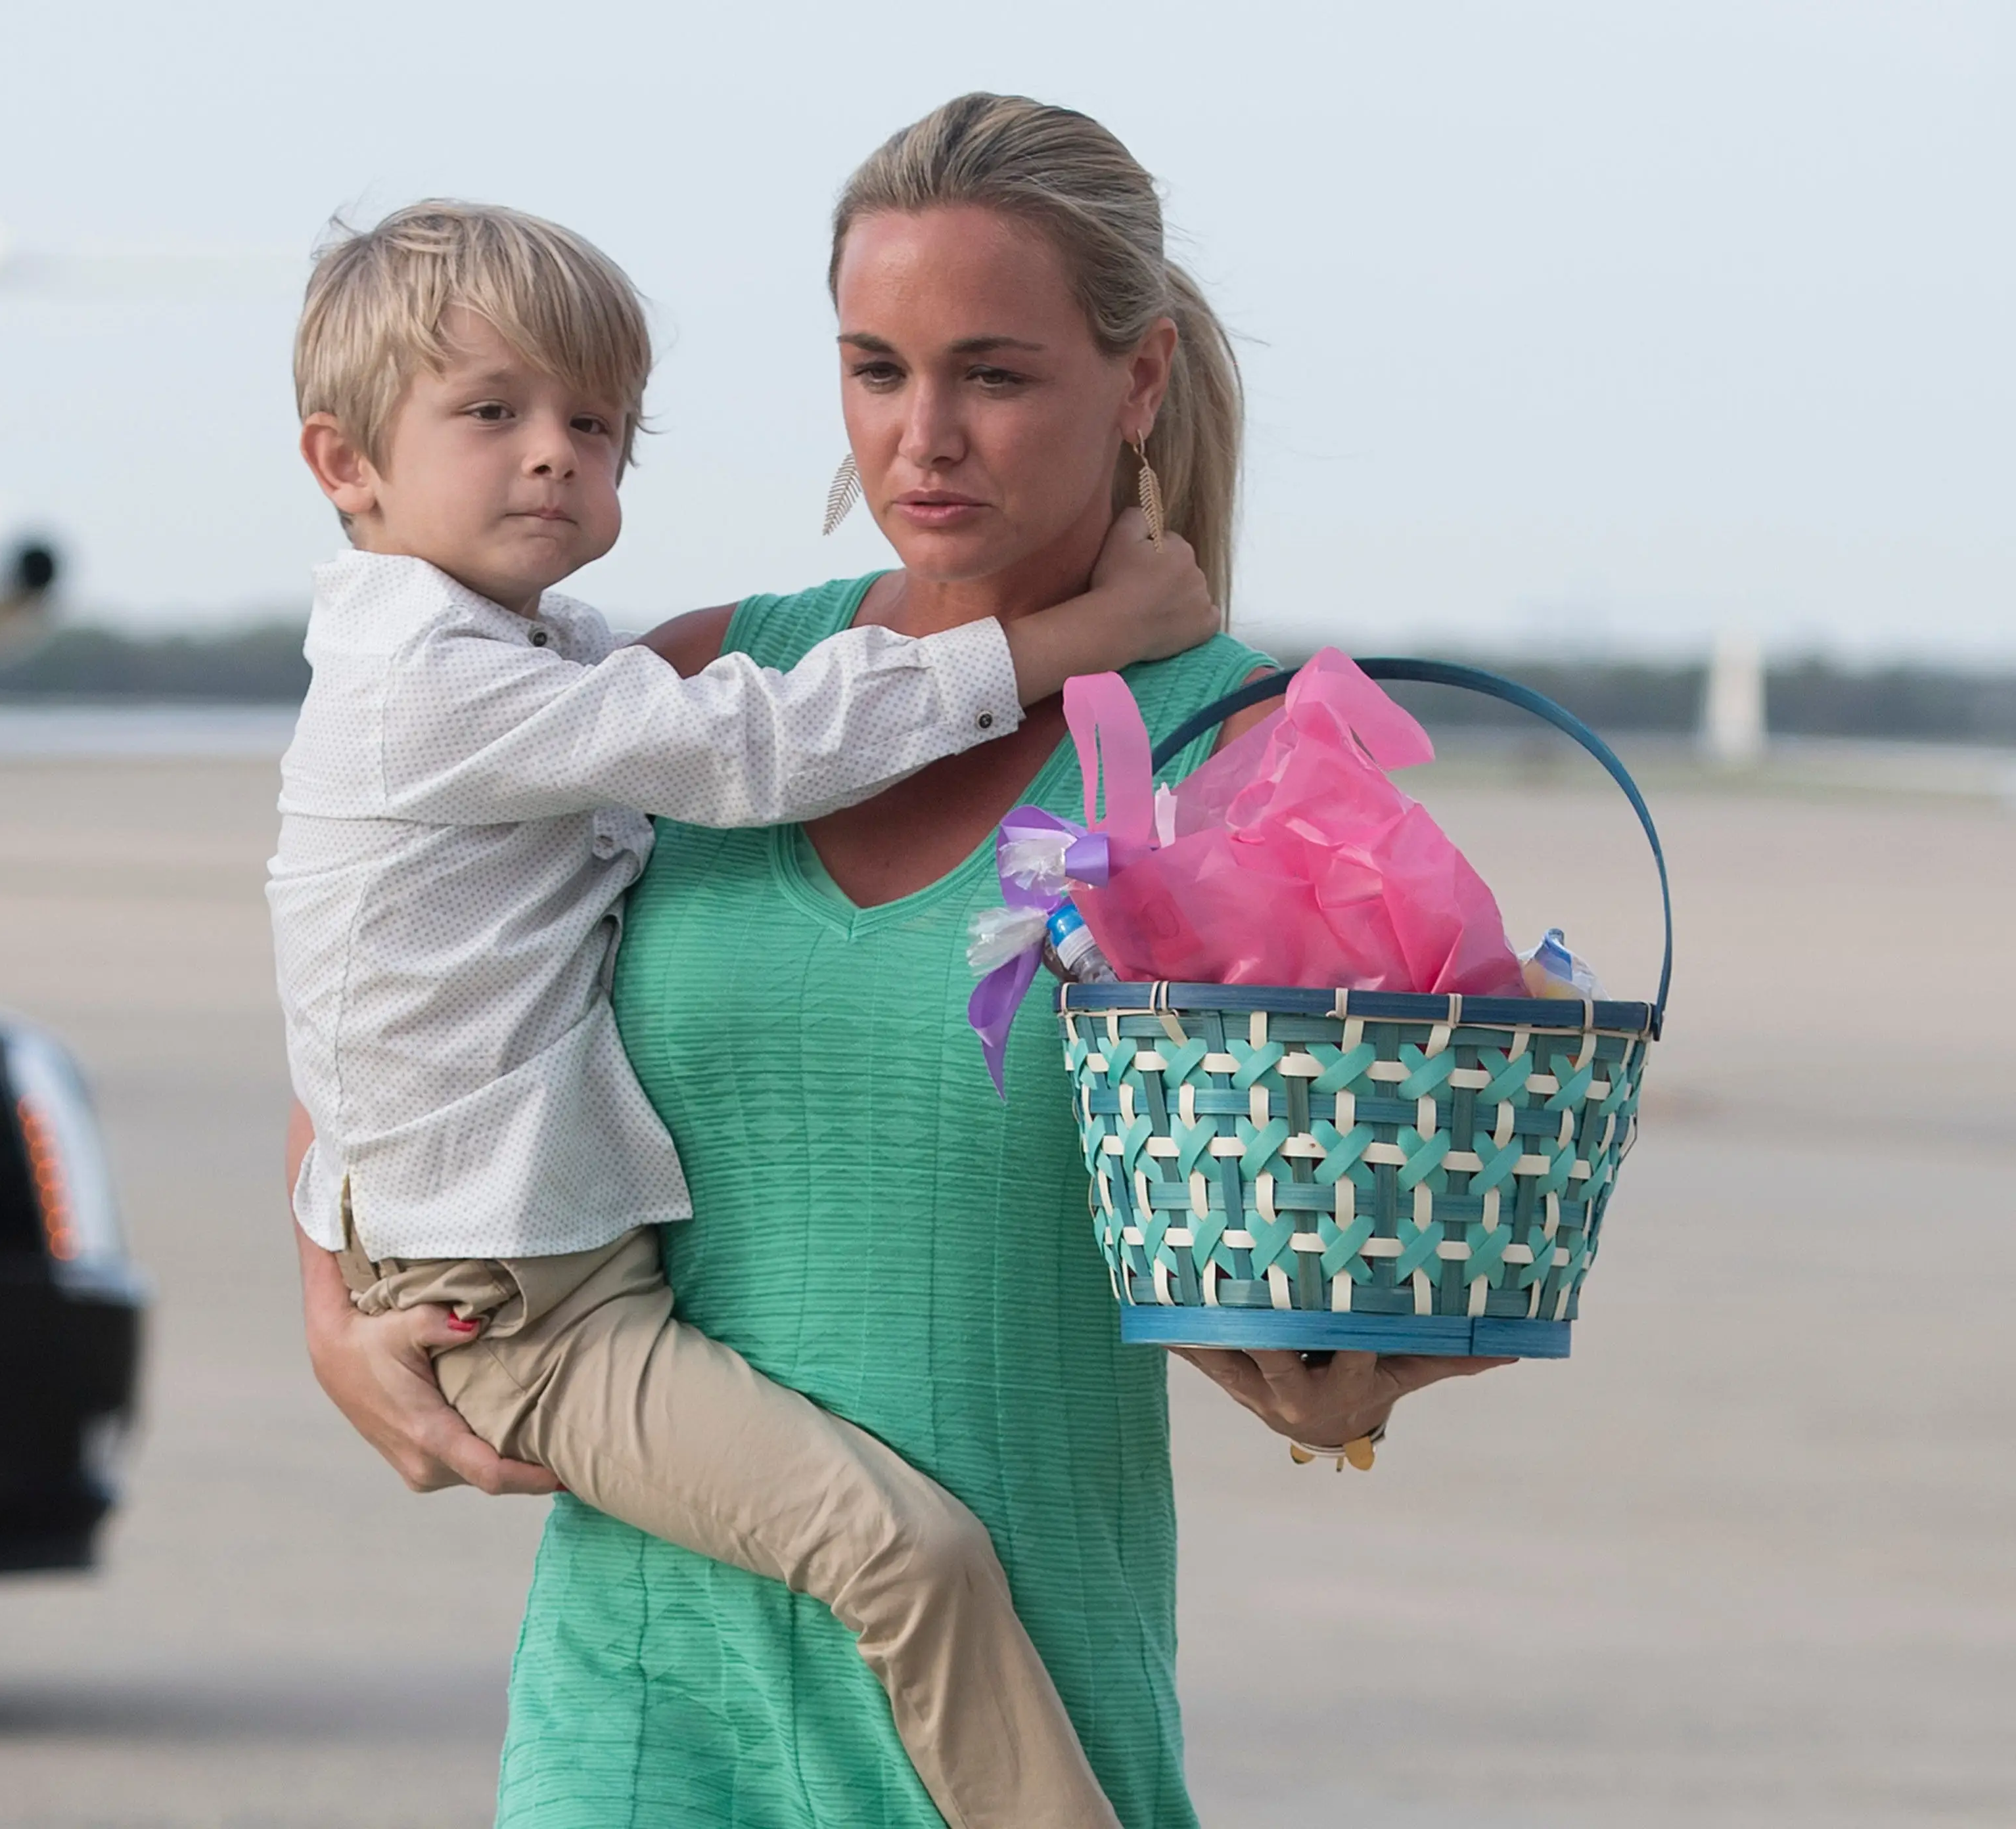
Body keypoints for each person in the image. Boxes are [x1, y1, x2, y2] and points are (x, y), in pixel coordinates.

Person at [298, 101, 1500, 1827]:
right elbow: (377, 978)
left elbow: (1322, 1243)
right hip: (639, 1711)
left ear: (1138, 380)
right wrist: (337, 1314)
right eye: (876, 369)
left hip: (1007, 1713)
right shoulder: (707, 689)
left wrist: (1340, 1380)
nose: (921, 438)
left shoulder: (1236, 769)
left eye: (993, 375)